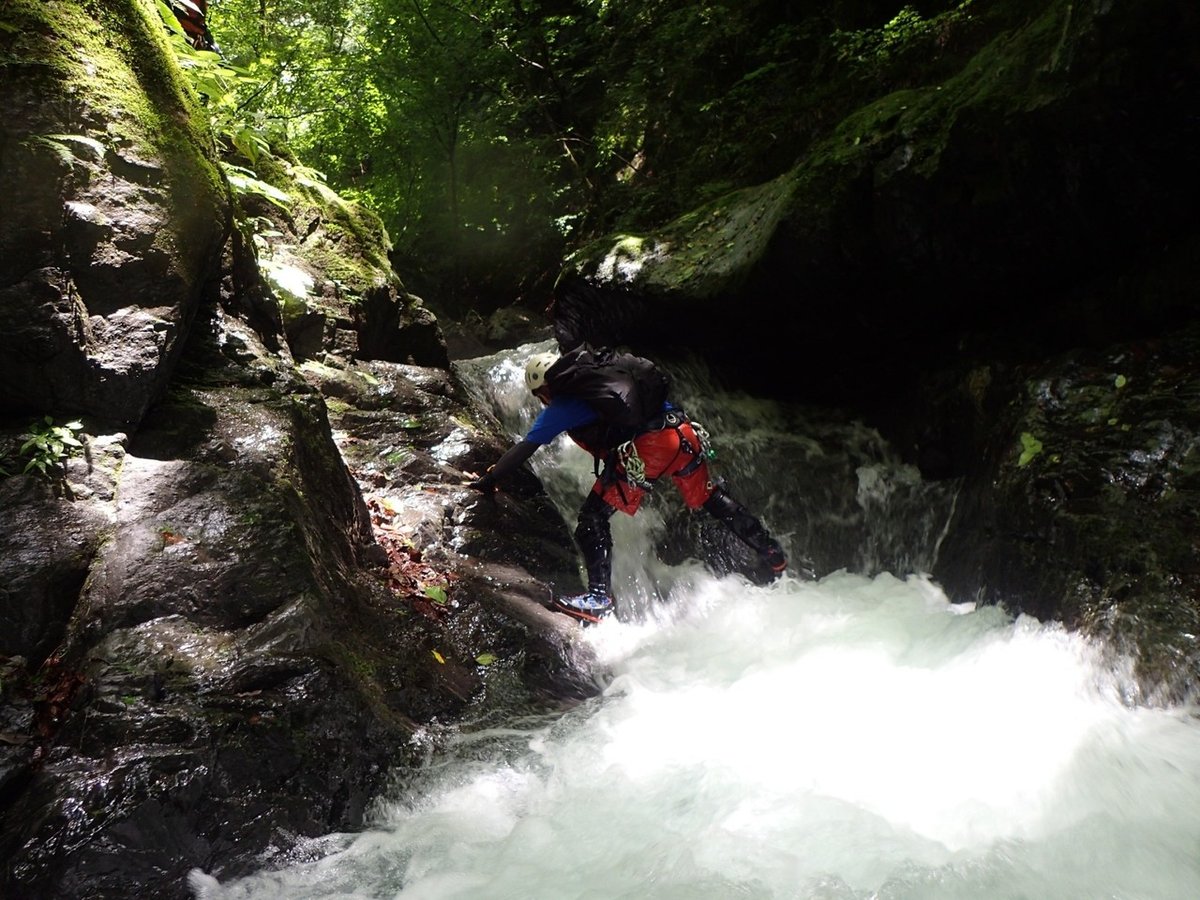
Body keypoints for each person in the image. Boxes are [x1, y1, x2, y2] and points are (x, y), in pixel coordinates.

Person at [468, 348, 789, 624]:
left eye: (541, 396)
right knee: (710, 498)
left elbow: (526, 447)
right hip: (684, 433)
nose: (543, 401)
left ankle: (597, 599)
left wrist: (490, 480)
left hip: (651, 447)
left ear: (544, 388)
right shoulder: (604, 380)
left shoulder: (563, 404)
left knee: (591, 520)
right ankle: (773, 553)